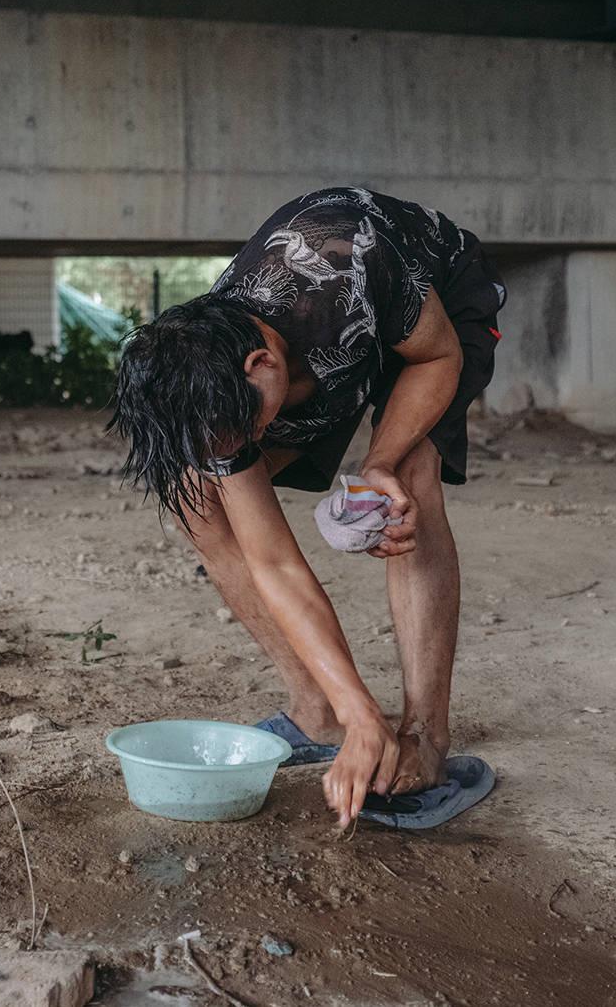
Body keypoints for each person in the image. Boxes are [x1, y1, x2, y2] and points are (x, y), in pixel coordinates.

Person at [109, 187, 505, 828]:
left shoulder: (351, 267)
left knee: (408, 479)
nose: (237, 450)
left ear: (261, 364)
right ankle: (317, 708)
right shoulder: (211, 366)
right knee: (198, 497)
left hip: (431, 319)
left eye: (241, 431)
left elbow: (437, 356)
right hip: (309, 365)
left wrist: (379, 460)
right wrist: (355, 711)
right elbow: (275, 564)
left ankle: (426, 741)